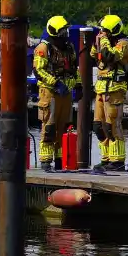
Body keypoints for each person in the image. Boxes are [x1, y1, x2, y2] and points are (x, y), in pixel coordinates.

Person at [34, 16, 79, 171]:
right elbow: (39, 71)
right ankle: (46, 160)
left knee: (64, 127)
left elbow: (74, 68)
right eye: (62, 31)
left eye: (66, 31)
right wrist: (55, 83)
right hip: (50, 92)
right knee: (49, 127)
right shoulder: (43, 48)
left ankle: (60, 158)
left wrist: (78, 85)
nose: (65, 34)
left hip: (66, 93)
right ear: (54, 32)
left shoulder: (69, 47)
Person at [92, 14, 128, 171]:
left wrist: (104, 41)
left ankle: (117, 161)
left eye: (105, 31)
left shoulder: (124, 44)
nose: (103, 34)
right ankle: (106, 158)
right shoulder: (105, 43)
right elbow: (94, 56)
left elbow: (110, 56)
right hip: (101, 89)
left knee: (112, 126)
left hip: (115, 89)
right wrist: (97, 43)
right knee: (98, 126)